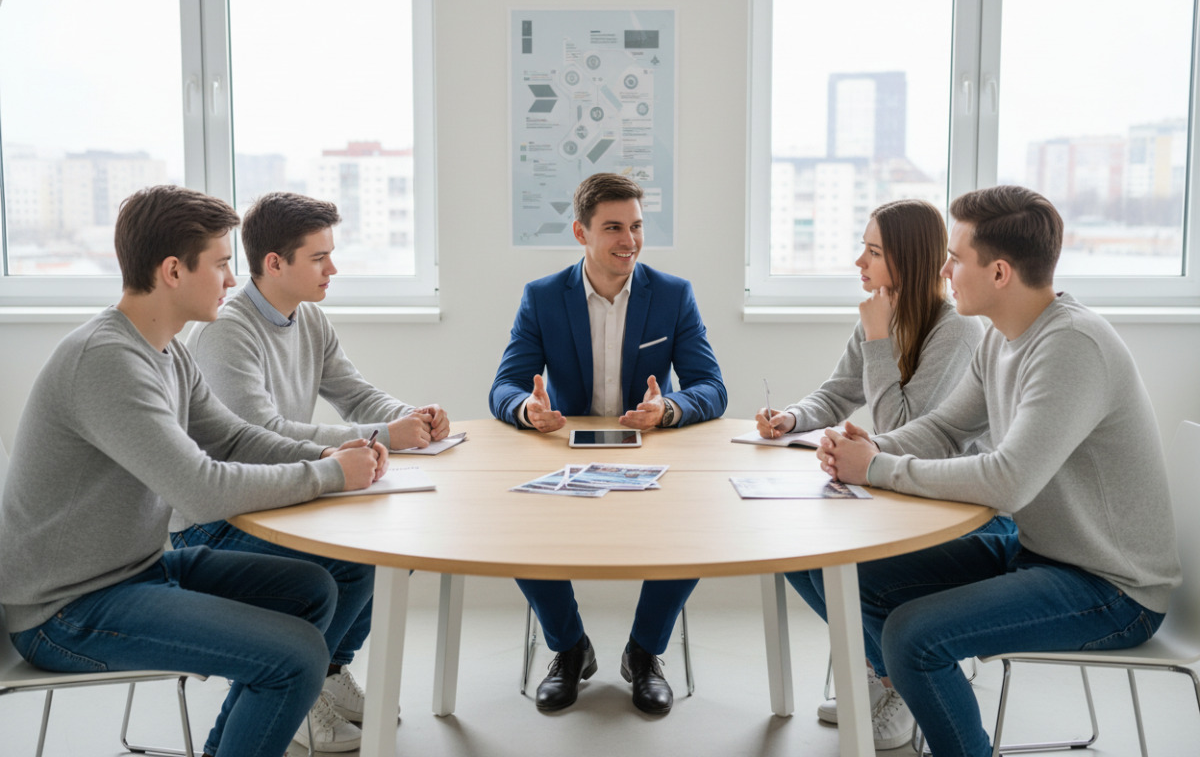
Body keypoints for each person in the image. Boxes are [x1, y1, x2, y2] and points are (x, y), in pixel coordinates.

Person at [0, 185, 386, 757]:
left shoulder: (167, 350)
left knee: (313, 588)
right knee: (295, 658)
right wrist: (331, 477)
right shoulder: (107, 361)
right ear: (174, 271)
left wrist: (327, 459)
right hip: (66, 611)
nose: (234, 281)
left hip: (136, 571)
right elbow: (201, 488)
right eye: (224, 265)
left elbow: (231, 436)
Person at [815, 185, 1181, 757]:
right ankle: (916, 694)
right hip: (1039, 555)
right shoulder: (1002, 339)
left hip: (1112, 588)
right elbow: (942, 430)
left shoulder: (1072, 345)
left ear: (1001, 272)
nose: (943, 270)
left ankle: (935, 710)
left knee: (912, 636)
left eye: (956, 259)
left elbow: (1009, 479)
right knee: (842, 571)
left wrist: (880, 467)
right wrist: (869, 448)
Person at [180, 191, 449, 746]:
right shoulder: (225, 332)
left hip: (278, 495)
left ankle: (323, 673)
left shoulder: (308, 320)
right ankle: (305, 688)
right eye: (319, 257)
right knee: (341, 561)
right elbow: (257, 438)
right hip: (213, 520)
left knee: (393, 545)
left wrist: (410, 418)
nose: (334, 268)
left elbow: (355, 394)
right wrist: (381, 438)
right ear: (274, 264)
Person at [754, 198, 1007, 749]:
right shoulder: (877, 314)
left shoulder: (956, 331)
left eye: (872, 252)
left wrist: (878, 341)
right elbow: (840, 390)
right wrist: (791, 417)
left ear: (910, 261)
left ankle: (902, 682)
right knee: (800, 555)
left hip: (957, 510)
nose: (858, 263)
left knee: (859, 565)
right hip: (901, 489)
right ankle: (884, 668)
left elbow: (909, 427)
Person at [489, 172, 727, 715]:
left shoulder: (671, 294)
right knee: (514, 525)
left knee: (692, 528)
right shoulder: (544, 297)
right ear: (581, 232)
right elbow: (503, 385)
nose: (630, 240)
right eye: (614, 227)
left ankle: (644, 653)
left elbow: (711, 387)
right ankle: (571, 649)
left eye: (638, 226)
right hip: (564, 453)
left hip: (648, 450)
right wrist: (529, 409)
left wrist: (667, 408)